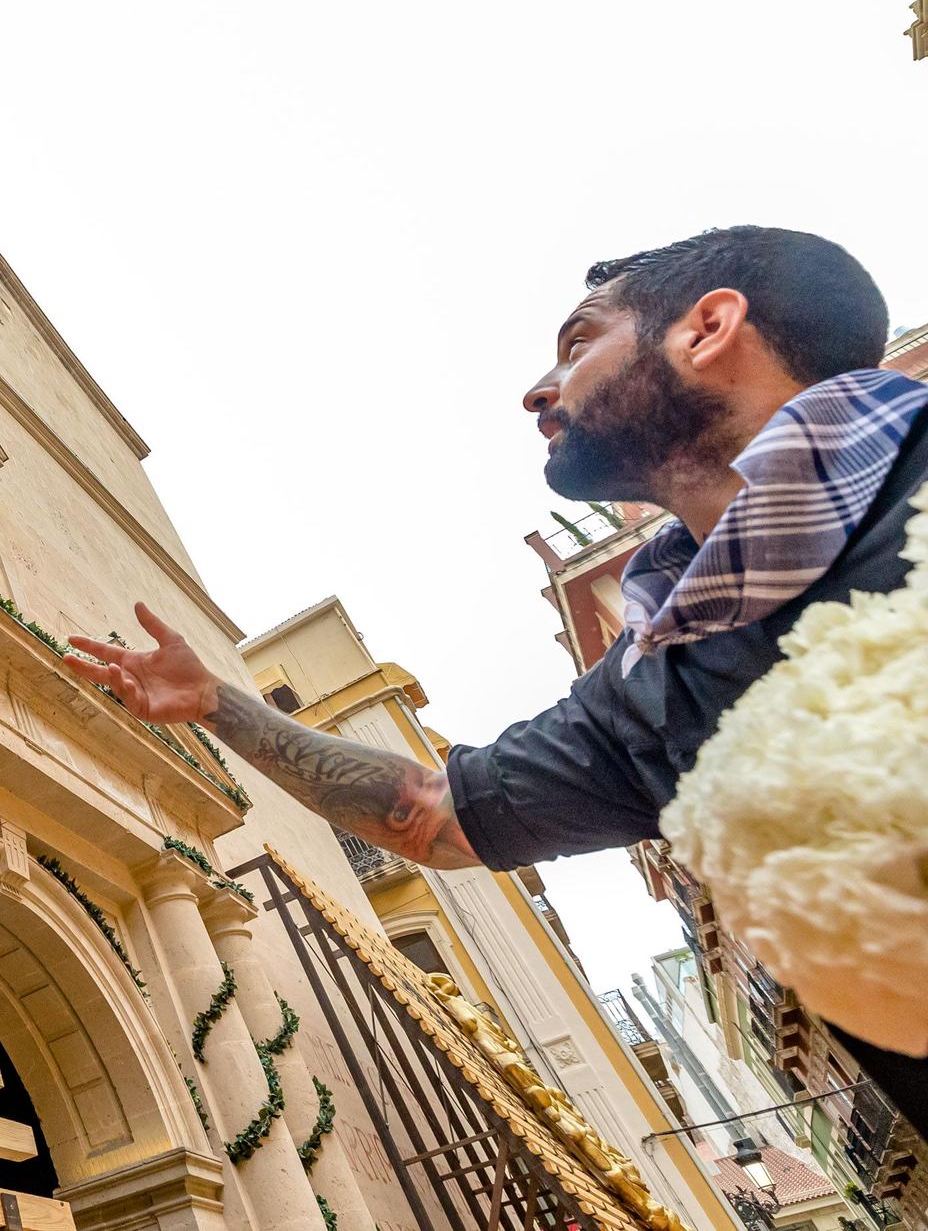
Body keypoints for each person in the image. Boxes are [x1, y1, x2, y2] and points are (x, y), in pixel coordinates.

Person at [65, 226, 928, 1128]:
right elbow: (432, 817)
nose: (538, 391)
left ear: (706, 328)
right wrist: (216, 703)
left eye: (579, 341)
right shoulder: (652, 682)